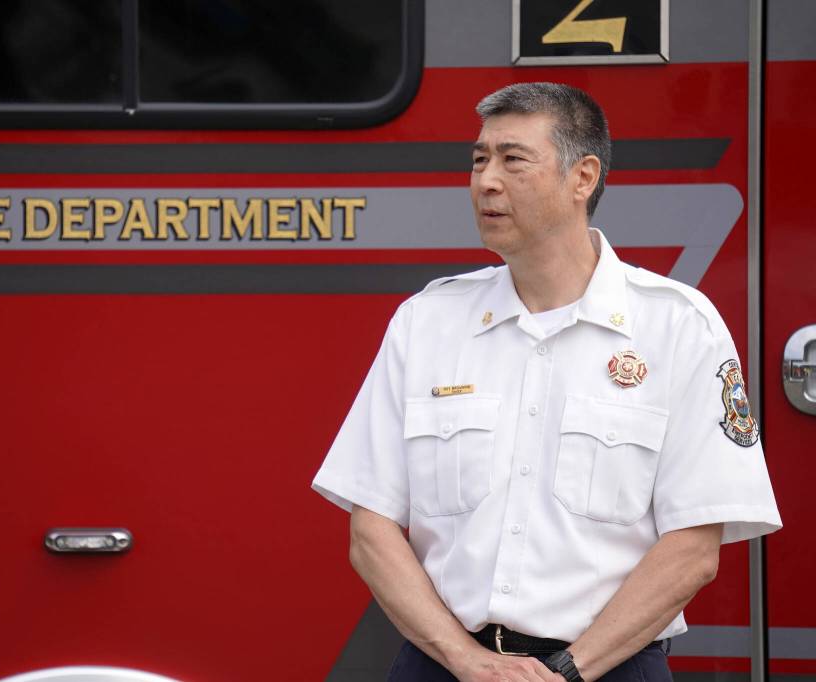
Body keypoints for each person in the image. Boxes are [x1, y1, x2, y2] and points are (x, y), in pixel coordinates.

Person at [311, 82, 781, 682]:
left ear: (583, 176)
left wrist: (567, 670)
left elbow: (693, 548)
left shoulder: (677, 326)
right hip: (443, 665)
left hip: (606, 668)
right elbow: (370, 526)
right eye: (479, 159)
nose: (485, 180)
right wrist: (467, 660)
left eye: (513, 159)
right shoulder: (427, 321)